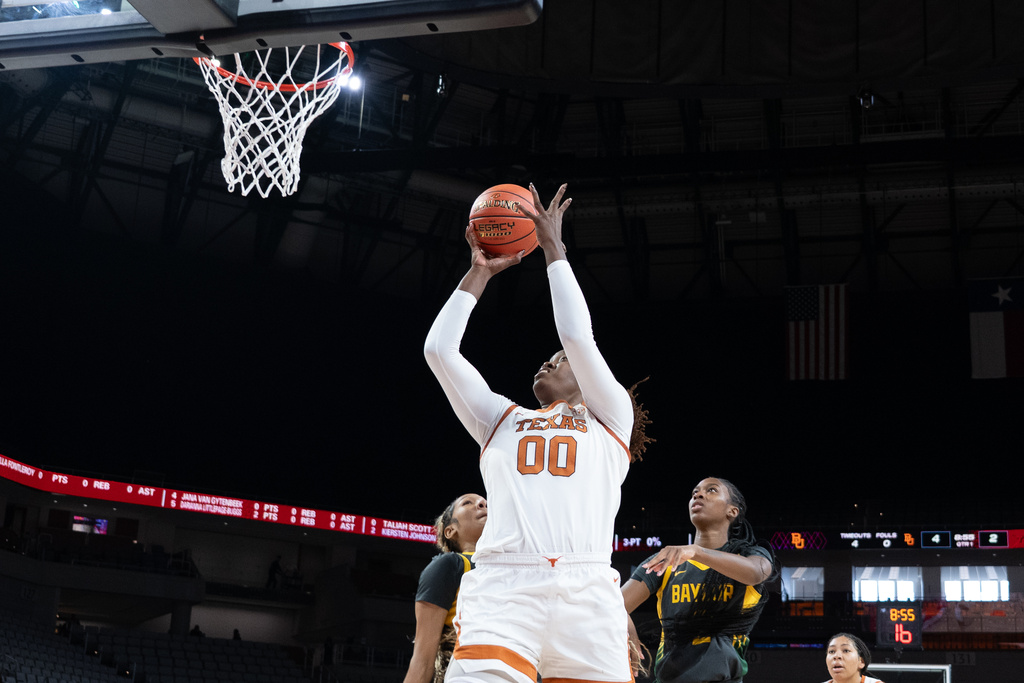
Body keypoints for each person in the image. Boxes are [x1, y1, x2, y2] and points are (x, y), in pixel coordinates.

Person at [424, 182, 651, 683]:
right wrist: (477, 274)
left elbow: (575, 333)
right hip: (505, 590)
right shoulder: (501, 420)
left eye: (560, 361)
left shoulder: (610, 419)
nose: (549, 358)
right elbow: (439, 351)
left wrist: (554, 249)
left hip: (587, 591)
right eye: (548, 357)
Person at [621, 477, 776, 683]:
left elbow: (756, 573)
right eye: (695, 491)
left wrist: (697, 552)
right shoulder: (665, 560)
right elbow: (612, 605)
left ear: (732, 511)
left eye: (711, 490)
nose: (698, 494)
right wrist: (626, 624)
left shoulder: (749, 555)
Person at [403, 493, 488, 683]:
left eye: (485, 503)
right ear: (450, 531)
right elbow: (422, 661)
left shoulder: (516, 567)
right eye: (468, 503)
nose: (482, 504)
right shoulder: (450, 565)